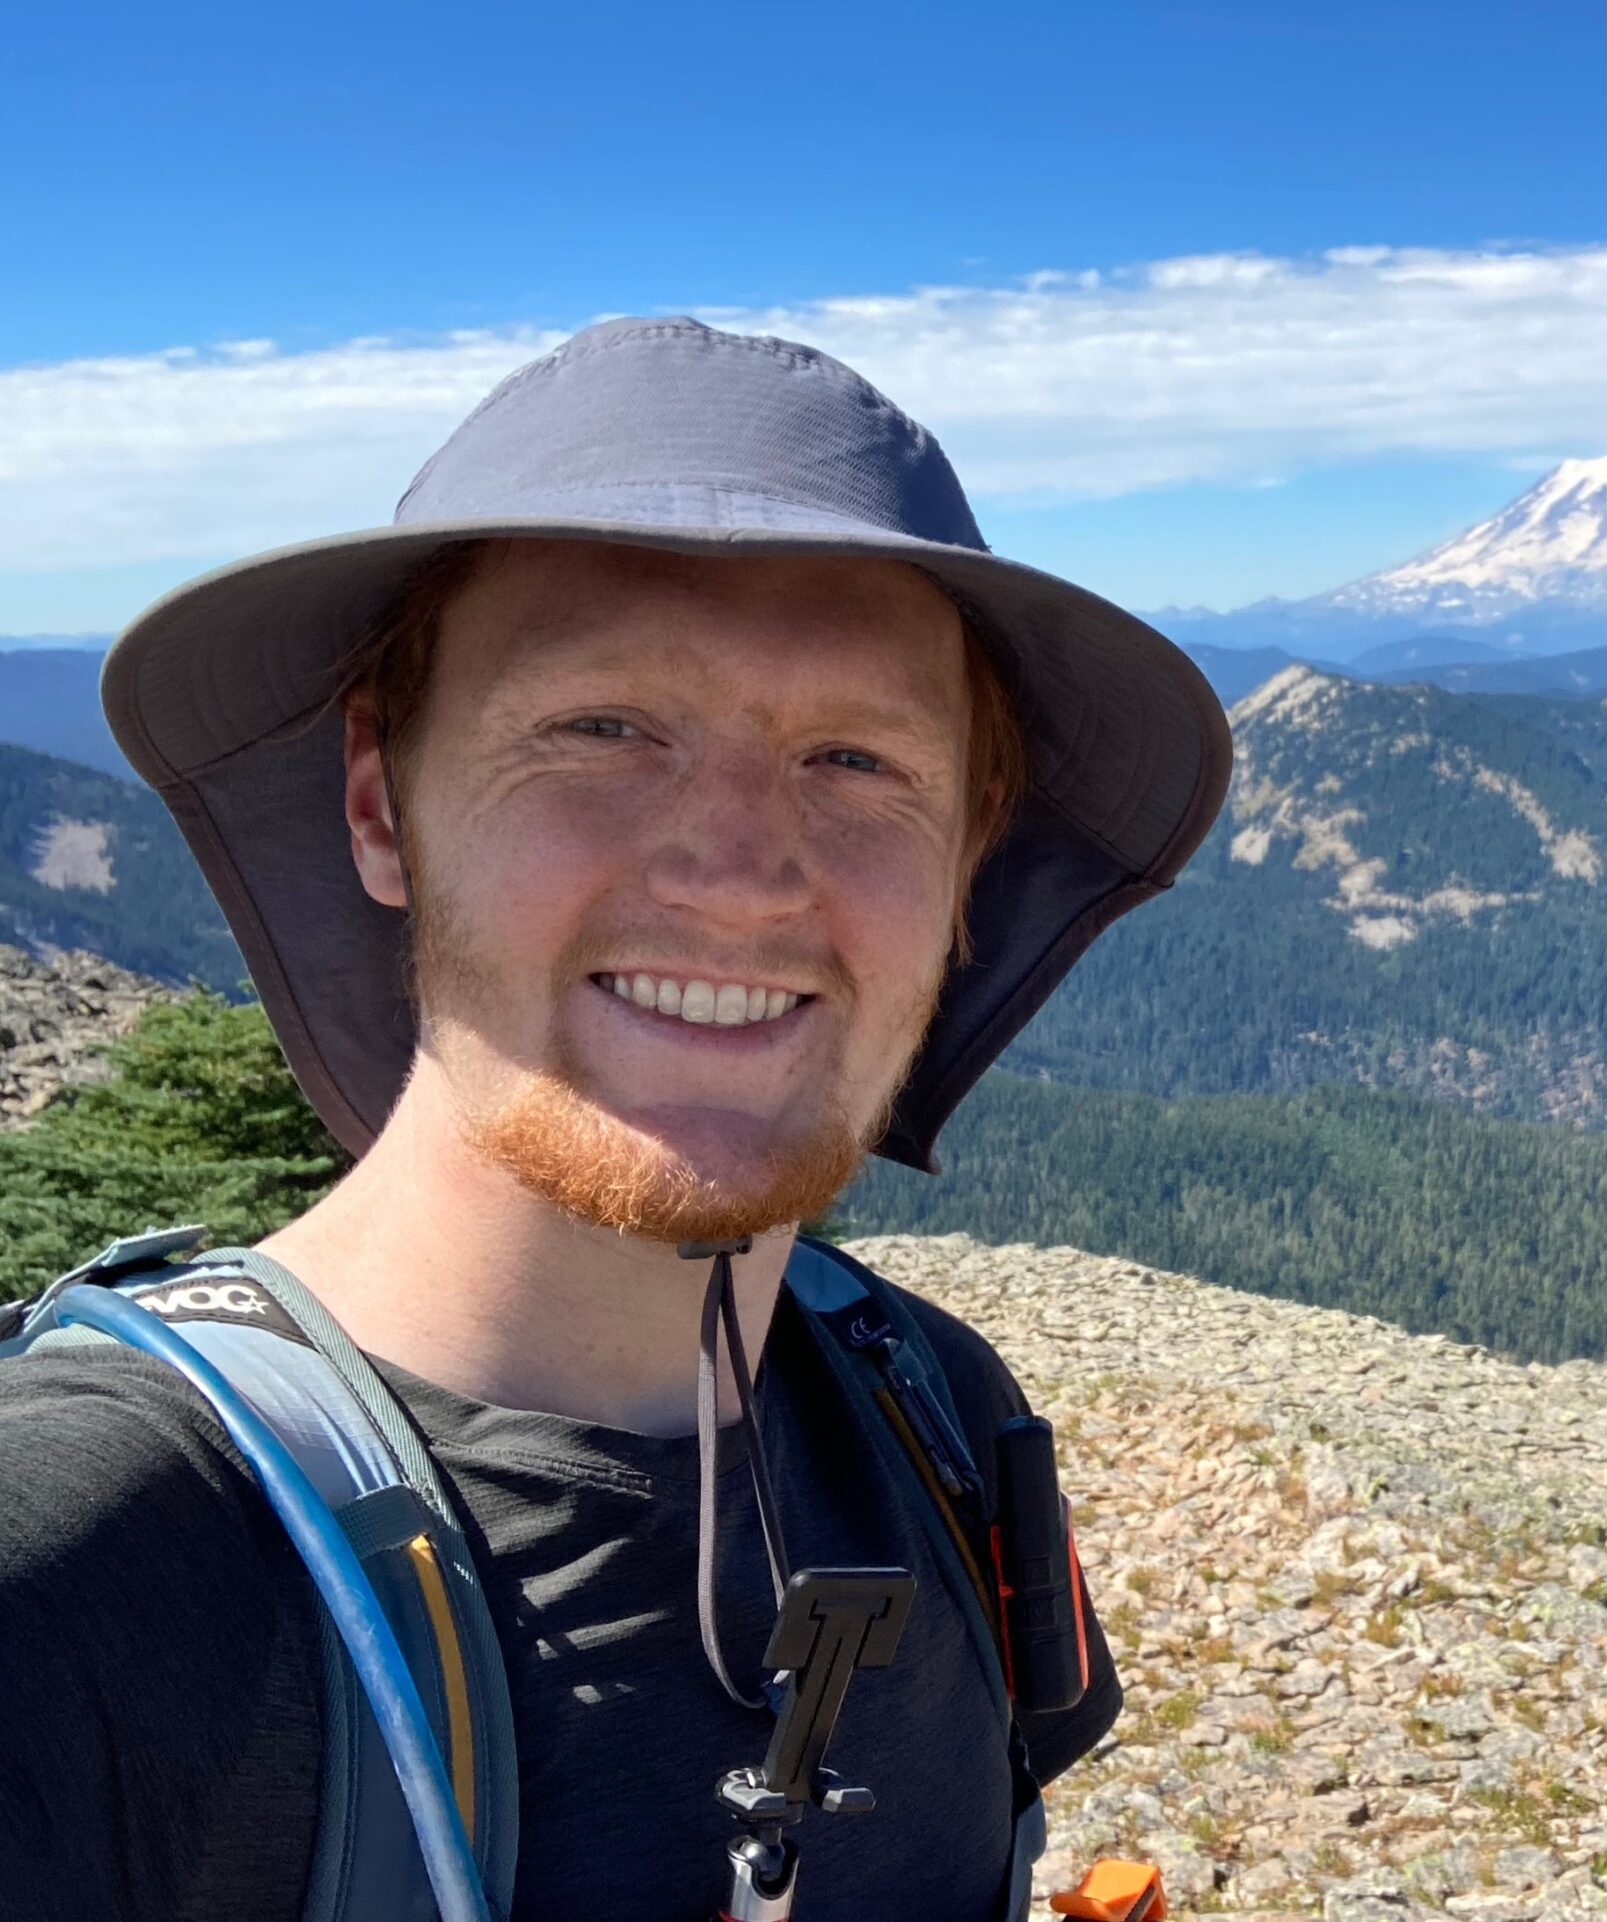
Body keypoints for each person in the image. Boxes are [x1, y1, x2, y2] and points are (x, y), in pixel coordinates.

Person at [0, 317, 1231, 1920]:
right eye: (603, 728)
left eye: (856, 759)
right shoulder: (85, 1571)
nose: (736, 871)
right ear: (382, 799)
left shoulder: (936, 1412)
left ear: (968, 858)